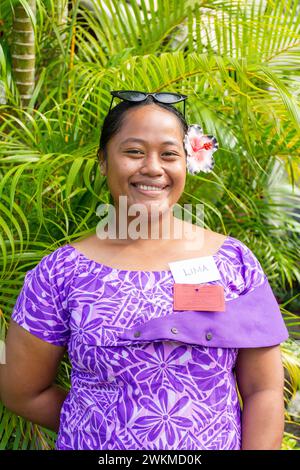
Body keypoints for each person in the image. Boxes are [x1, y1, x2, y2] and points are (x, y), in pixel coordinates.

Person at [0, 91, 289, 450]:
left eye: (169, 154)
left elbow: (264, 389)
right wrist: (104, 426)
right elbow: (22, 392)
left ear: (188, 163)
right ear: (103, 161)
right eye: (134, 152)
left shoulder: (233, 262)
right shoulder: (60, 273)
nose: (153, 167)